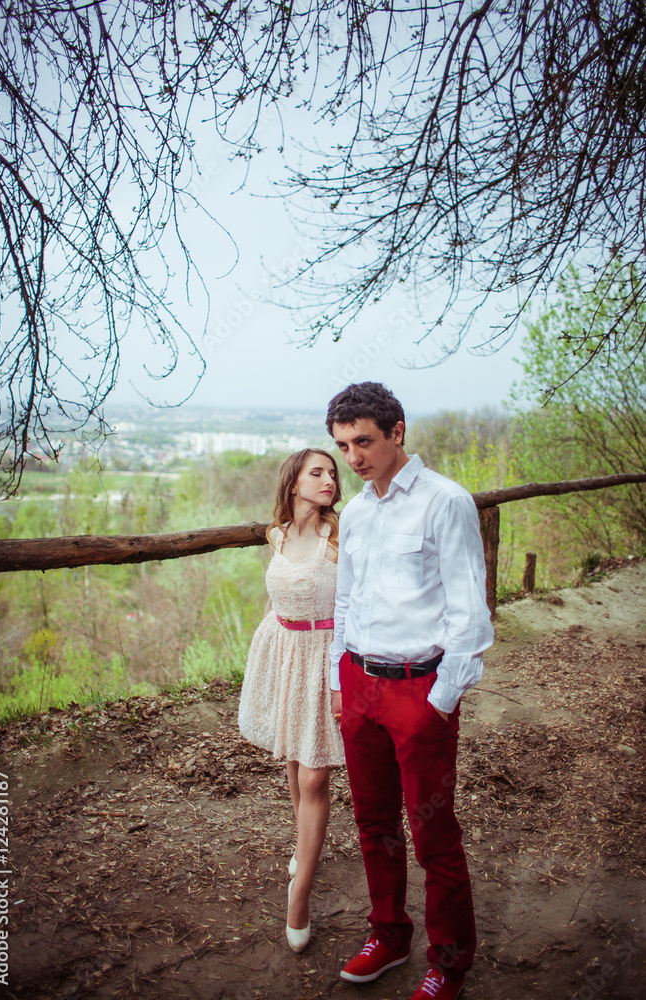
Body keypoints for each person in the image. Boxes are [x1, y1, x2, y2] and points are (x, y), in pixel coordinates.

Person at [327, 382, 493, 1000]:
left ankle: (449, 963)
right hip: (360, 686)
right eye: (343, 445)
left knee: (433, 834)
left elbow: (469, 613)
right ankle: (390, 935)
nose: (353, 457)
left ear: (398, 432)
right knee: (374, 823)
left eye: (363, 441)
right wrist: (341, 677)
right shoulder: (360, 510)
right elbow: (345, 601)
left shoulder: (445, 502)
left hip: (418, 690)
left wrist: (440, 701)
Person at [238, 448, 344, 954]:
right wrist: (272, 653)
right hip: (284, 652)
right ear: (294, 482)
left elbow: (354, 604)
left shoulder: (340, 537)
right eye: (317, 472)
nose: (329, 479)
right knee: (293, 757)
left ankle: (299, 893)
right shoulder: (276, 534)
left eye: (332, 473)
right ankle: (303, 849)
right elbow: (278, 593)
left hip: (327, 660)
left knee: (315, 773)